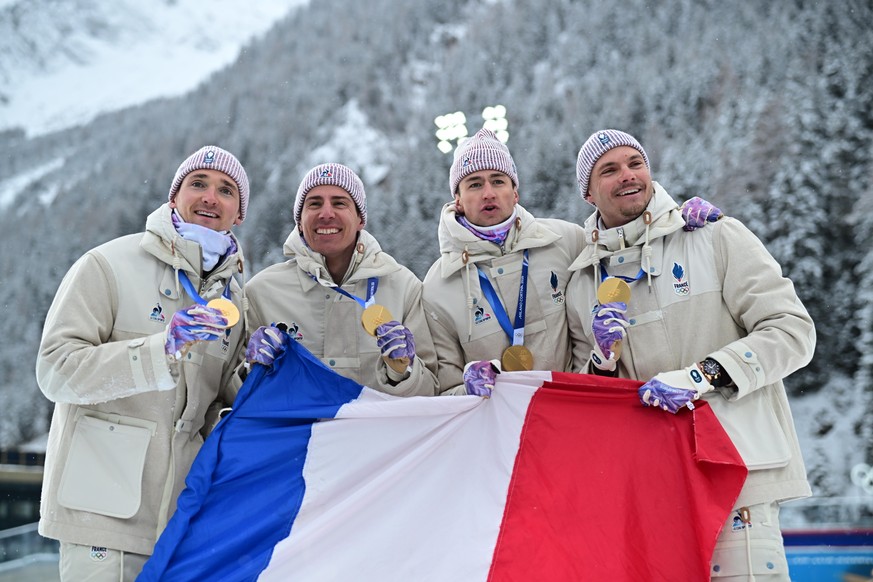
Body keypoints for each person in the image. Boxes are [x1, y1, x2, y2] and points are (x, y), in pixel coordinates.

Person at [566, 129, 815, 580]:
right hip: (650, 490)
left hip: (739, 477)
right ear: (588, 192)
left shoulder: (714, 236)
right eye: (609, 170)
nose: (627, 176)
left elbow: (793, 331)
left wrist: (705, 375)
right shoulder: (581, 282)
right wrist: (600, 363)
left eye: (634, 163)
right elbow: (586, 400)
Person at [35, 145, 251, 581]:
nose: (211, 196)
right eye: (198, 184)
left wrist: (261, 372)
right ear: (174, 197)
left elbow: (217, 407)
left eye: (226, 190)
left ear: (238, 214)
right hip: (103, 518)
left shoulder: (234, 301)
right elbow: (56, 371)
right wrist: (159, 351)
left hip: (184, 523)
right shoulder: (108, 265)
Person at [421, 128, 722, 397]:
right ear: (457, 199)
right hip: (499, 436)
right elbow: (441, 391)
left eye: (498, 181)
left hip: (570, 417)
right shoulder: (438, 285)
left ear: (515, 193)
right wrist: (466, 390)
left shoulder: (565, 240)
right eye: (474, 184)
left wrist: (673, 218)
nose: (488, 193)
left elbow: (619, 242)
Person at [244, 163, 438, 396]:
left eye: (339, 203)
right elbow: (232, 394)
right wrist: (251, 370)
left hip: (380, 432)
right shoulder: (261, 292)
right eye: (314, 204)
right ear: (299, 222)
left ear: (360, 219)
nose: (326, 214)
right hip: (298, 433)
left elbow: (432, 390)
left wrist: (403, 371)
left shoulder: (402, 286)